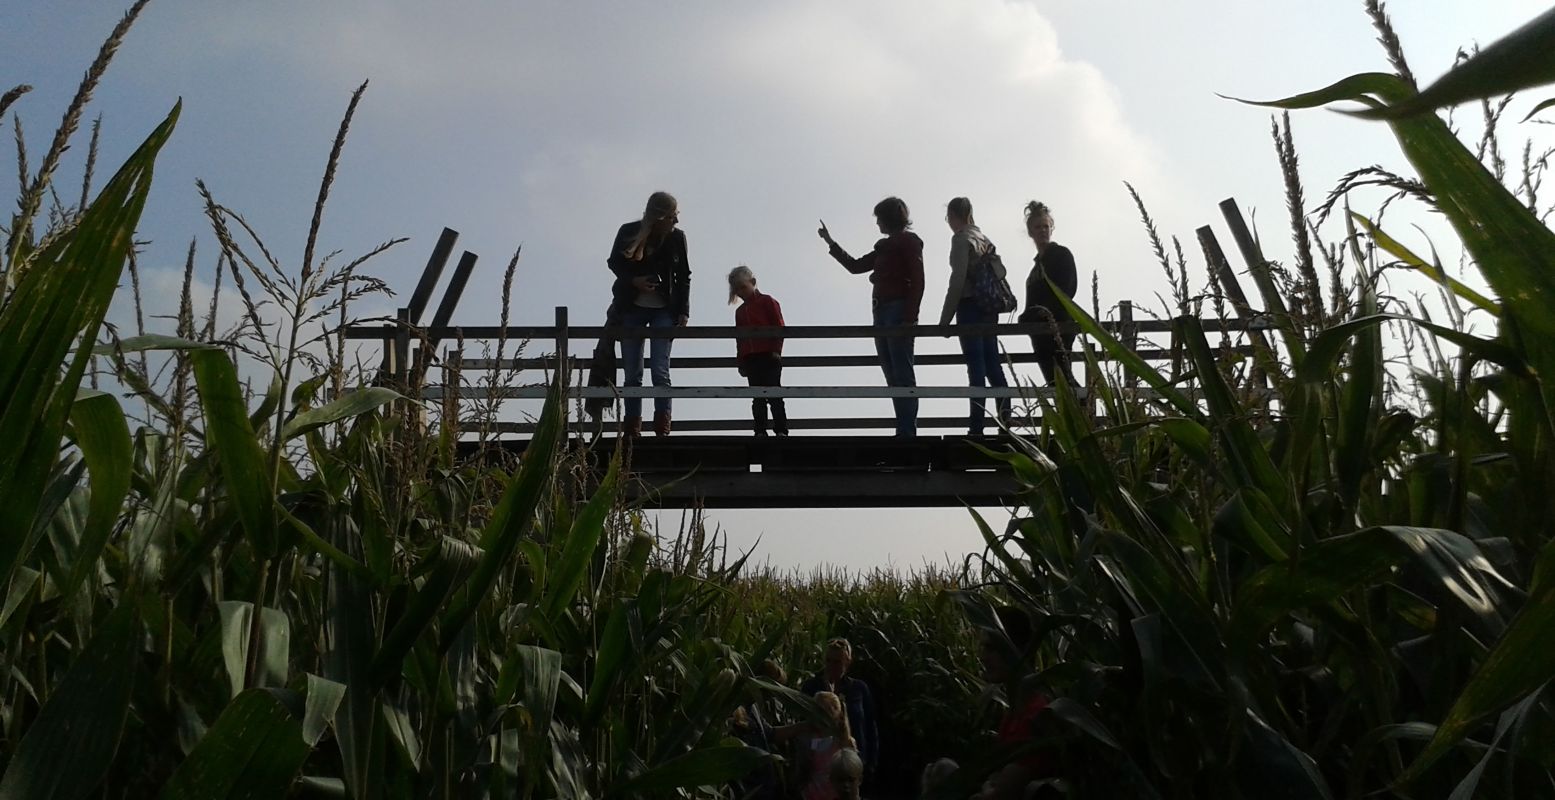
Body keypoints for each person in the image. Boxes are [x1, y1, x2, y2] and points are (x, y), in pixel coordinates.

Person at [818, 197, 925, 437]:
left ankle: (907, 431)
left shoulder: (908, 242)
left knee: (902, 372)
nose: (877, 223)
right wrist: (830, 242)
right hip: (881, 312)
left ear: (888, 218)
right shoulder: (884, 247)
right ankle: (903, 429)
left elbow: (918, 280)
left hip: (897, 311)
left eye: (879, 218)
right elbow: (855, 266)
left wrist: (910, 317)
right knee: (891, 372)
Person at [607, 191, 690, 436]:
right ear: (661, 216)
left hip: (664, 308)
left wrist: (683, 310)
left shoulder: (677, 238)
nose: (675, 222)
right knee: (632, 371)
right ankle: (632, 426)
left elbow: (684, 275)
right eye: (672, 216)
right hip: (632, 307)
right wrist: (635, 281)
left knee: (660, 369)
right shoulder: (628, 231)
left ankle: (662, 427)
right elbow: (614, 263)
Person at [938, 197, 1012, 436]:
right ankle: (1005, 424)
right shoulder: (984, 239)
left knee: (976, 366)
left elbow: (957, 280)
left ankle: (977, 427)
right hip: (989, 306)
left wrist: (945, 319)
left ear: (952, 216)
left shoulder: (961, 239)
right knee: (993, 363)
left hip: (970, 305)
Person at [972, 605, 1061, 799]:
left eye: (991, 648)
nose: (983, 657)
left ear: (1016, 650)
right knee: (940, 769)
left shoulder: (1036, 717)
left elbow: (1001, 794)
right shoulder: (1016, 710)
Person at [800, 638, 880, 785]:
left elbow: (870, 726)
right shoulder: (811, 687)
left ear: (848, 661)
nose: (831, 666)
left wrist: (870, 763)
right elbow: (803, 726)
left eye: (837, 662)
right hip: (819, 768)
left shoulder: (858, 689)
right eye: (828, 661)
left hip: (854, 761)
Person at [1019, 201, 1078, 386]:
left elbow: (1068, 289)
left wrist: (1044, 313)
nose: (1043, 231)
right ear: (1030, 232)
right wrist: (1027, 318)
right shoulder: (1034, 271)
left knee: (1064, 378)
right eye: (1038, 227)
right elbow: (1031, 304)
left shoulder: (1061, 255)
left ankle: (1084, 409)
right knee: (1053, 382)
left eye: (1046, 226)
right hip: (1039, 334)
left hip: (1059, 326)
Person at [729, 266, 789, 437]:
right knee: (757, 396)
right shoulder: (740, 312)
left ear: (753, 283)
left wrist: (777, 350)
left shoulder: (767, 301)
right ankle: (760, 430)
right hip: (751, 358)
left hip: (769, 355)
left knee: (775, 394)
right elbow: (739, 338)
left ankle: (781, 430)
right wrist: (740, 361)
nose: (740, 292)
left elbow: (779, 326)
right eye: (737, 289)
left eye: (743, 287)